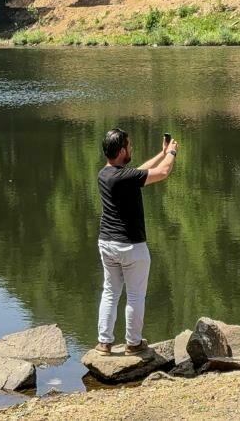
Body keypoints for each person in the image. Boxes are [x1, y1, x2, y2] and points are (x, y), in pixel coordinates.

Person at [94, 128, 178, 356]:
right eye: (129, 146)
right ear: (121, 151)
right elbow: (161, 174)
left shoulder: (106, 174)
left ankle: (104, 343)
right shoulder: (124, 178)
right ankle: (133, 343)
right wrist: (171, 154)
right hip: (131, 246)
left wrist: (160, 154)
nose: (132, 148)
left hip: (107, 243)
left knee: (110, 292)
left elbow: (139, 171)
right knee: (135, 295)